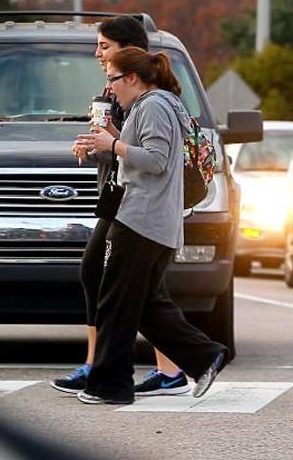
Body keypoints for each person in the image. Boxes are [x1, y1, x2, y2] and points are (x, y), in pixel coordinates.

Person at [72, 47, 227, 404]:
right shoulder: (153, 105)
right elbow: (144, 153)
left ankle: (110, 386)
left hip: (140, 218)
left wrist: (115, 144)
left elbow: (156, 161)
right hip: (153, 220)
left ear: (132, 77)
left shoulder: (154, 105)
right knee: (143, 304)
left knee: (115, 303)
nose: (109, 89)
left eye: (112, 79)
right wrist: (109, 139)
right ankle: (204, 357)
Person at [52, 16, 190, 397]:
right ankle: (165, 368)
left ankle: (128, 369)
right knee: (117, 280)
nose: (97, 54)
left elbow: (151, 155)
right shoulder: (116, 91)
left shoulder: (148, 98)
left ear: (131, 55)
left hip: (138, 204)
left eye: (104, 46)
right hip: (120, 196)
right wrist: (97, 146)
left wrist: (111, 145)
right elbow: (119, 149)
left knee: (109, 277)